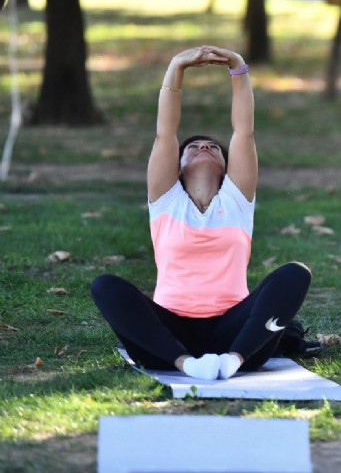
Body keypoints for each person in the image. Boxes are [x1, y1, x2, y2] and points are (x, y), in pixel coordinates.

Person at [90, 46, 312, 380]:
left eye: (212, 147)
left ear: (227, 167)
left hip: (235, 335)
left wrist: (238, 67)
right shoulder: (166, 199)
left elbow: (244, 131)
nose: (204, 148)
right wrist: (176, 66)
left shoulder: (237, 200)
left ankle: (233, 361)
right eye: (192, 147)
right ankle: (187, 365)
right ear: (176, 167)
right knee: (105, 285)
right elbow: (165, 132)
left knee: (296, 273)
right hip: (168, 337)